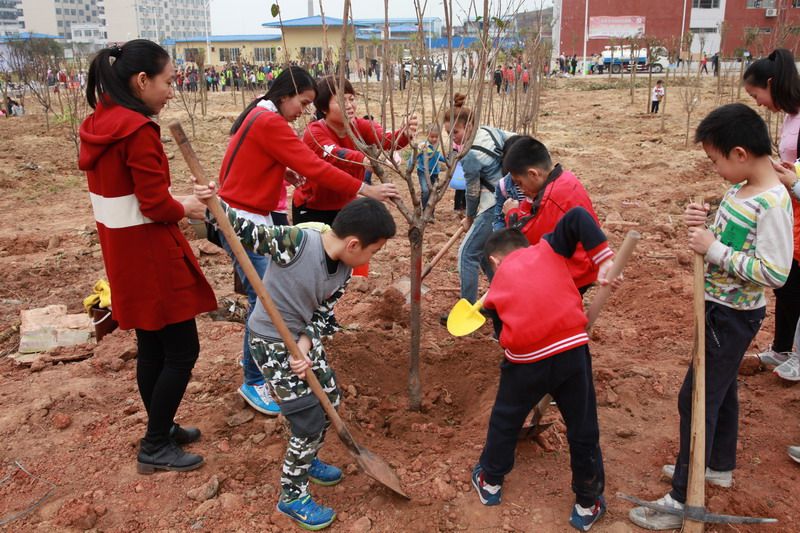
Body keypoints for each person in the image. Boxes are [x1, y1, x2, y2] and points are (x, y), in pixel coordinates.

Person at [629, 103, 793, 530]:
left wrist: (714, 249)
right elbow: (722, 238)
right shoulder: (741, 191)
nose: (715, 169)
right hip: (718, 308)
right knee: (721, 392)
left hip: (735, 316)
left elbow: (776, 270)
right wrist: (704, 226)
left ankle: (683, 495)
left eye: (715, 161)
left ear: (739, 154)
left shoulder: (772, 203)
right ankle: (718, 465)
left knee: (696, 398)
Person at [196, 194, 397, 531]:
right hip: (270, 341)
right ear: (353, 243)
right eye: (373, 251)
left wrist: (304, 343)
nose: (371, 258)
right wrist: (214, 203)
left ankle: (309, 458)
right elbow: (247, 232)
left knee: (329, 397)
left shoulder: (344, 270)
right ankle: (292, 494)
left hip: (300, 338)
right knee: (307, 420)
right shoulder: (297, 243)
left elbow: (324, 313)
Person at [215, 67, 398, 418]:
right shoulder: (270, 122)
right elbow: (315, 166)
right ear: (286, 94)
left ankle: (267, 359)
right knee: (265, 299)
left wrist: (280, 170)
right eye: (303, 102)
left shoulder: (259, 112)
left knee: (267, 296)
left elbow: (247, 156)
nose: (304, 110)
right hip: (246, 216)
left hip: (260, 210)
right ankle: (255, 379)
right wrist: (365, 188)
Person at [78, 41, 217, 474]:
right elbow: (155, 205)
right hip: (151, 255)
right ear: (142, 81)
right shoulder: (137, 130)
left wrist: (173, 201)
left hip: (123, 253)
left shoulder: (100, 122)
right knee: (182, 350)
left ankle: (163, 424)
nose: (172, 91)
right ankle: (155, 442)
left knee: (151, 346)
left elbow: (134, 195)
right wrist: (189, 207)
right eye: (169, 82)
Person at [472, 208, 616, 532]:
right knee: (583, 427)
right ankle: (587, 501)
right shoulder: (549, 247)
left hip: (525, 364)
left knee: (505, 419)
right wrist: (603, 259)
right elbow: (578, 216)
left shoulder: (492, 294)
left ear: (494, 263)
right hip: (572, 352)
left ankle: (491, 480)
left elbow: (502, 337)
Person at [743, 48, 800, 383]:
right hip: (792, 212)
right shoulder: (792, 117)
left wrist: (793, 182)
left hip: (796, 205)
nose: (759, 103)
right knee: (788, 283)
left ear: (771, 83)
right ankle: (782, 348)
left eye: (757, 95)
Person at [294, 75, 415, 225]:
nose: (350, 105)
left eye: (351, 99)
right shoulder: (314, 132)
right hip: (313, 208)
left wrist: (403, 134)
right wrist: (364, 160)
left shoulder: (360, 126)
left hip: (347, 206)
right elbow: (336, 155)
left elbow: (385, 139)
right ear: (324, 108)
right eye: (341, 101)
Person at [501, 136, 601, 293]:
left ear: (533, 174)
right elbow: (534, 214)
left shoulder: (552, 198)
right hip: (581, 261)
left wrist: (511, 214)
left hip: (574, 270)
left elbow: (524, 239)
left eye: (520, 183)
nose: (520, 189)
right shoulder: (564, 179)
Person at [443, 93, 514, 304]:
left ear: (470, 125)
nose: (452, 137)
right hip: (509, 199)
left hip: (492, 205)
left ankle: (467, 306)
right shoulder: (489, 131)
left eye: (455, 132)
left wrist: (470, 217)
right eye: (449, 133)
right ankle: (499, 301)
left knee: (466, 254)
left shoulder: (469, 154)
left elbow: (472, 192)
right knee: (485, 255)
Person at [415, 124, 446, 213]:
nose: (434, 139)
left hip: (434, 172)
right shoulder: (423, 145)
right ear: (427, 135)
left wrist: (446, 160)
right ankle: (424, 210)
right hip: (423, 171)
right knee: (425, 190)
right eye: (432, 137)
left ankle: (430, 213)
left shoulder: (438, 145)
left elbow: (437, 156)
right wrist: (410, 165)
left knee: (433, 192)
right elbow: (415, 156)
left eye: (436, 137)